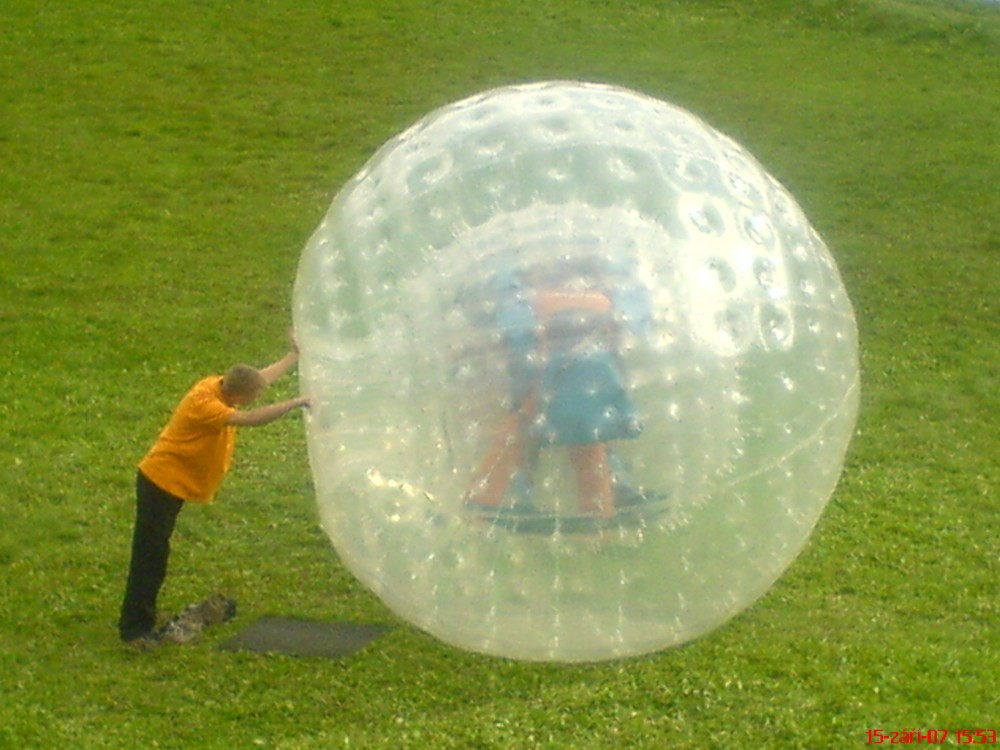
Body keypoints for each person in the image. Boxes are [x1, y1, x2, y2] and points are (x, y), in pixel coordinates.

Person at [118, 333, 309, 646]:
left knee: (155, 552)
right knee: (150, 556)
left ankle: (143, 615)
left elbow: (258, 379)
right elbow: (251, 419)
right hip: (161, 483)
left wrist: (293, 356)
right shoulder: (207, 405)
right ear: (239, 397)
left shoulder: (218, 385)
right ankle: (134, 629)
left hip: (171, 483)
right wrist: (296, 403)